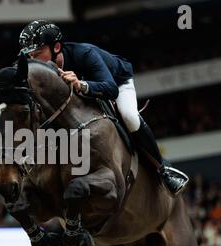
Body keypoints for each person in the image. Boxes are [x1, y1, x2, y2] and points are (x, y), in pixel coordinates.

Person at [18, 20, 189, 196]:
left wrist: (81, 85)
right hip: (85, 92)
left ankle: (163, 170)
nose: (33, 61)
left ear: (56, 48)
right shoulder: (41, 72)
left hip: (116, 82)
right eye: (30, 57)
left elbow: (111, 89)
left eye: (37, 54)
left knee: (129, 116)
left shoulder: (84, 53)